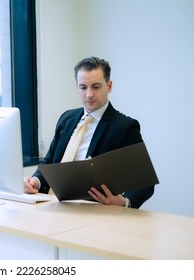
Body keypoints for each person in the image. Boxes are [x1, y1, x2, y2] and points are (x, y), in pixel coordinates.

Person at [24, 56, 154, 209]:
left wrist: (124, 202)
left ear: (109, 86)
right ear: (77, 87)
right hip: (53, 206)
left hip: (96, 213)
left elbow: (146, 182)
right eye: (83, 87)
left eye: (96, 86)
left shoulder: (125, 127)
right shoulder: (66, 119)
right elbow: (50, 162)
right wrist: (35, 181)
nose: (89, 94)